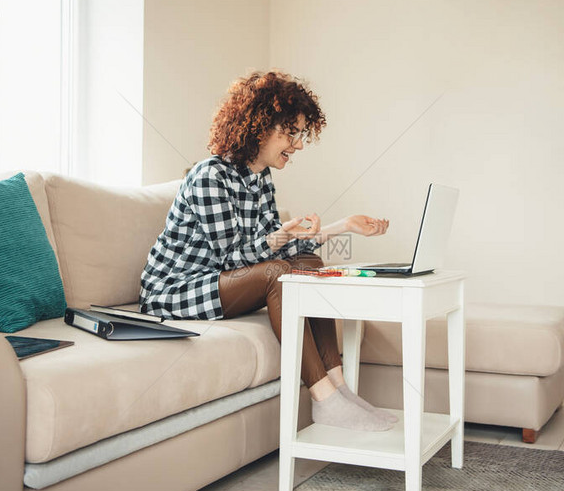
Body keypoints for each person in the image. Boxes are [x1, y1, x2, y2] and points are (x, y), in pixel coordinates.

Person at [140, 71, 394, 431]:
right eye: (290, 133)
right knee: (280, 273)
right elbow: (234, 259)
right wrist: (278, 239)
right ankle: (323, 398)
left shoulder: (260, 179)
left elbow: (282, 249)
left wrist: (344, 226)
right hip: (175, 290)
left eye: (300, 133)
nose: (299, 144)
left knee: (307, 264)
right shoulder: (209, 176)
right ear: (258, 127)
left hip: (220, 280)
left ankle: (340, 389)